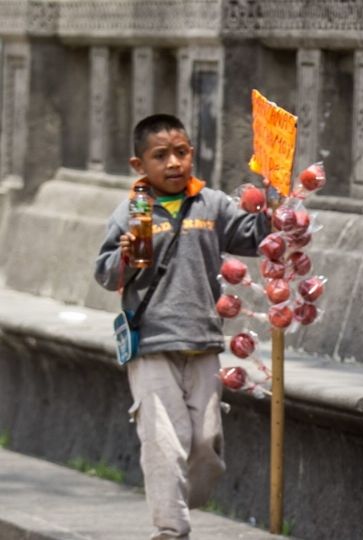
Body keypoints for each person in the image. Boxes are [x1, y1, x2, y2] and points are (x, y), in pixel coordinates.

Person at [94, 114, 270, 539]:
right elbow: (105, 275)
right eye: (161, 156)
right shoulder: (132, 212)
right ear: (139, 166)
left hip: (203, 340)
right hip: (152, 341)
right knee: (164, 442)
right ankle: (170, 530)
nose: (174, 163)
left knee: (206, 444)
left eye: (181, 152)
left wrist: (277, 202)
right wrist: (124, 255)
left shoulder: (210, 204)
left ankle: (178, 501)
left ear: (192, 153)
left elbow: (254, 237)